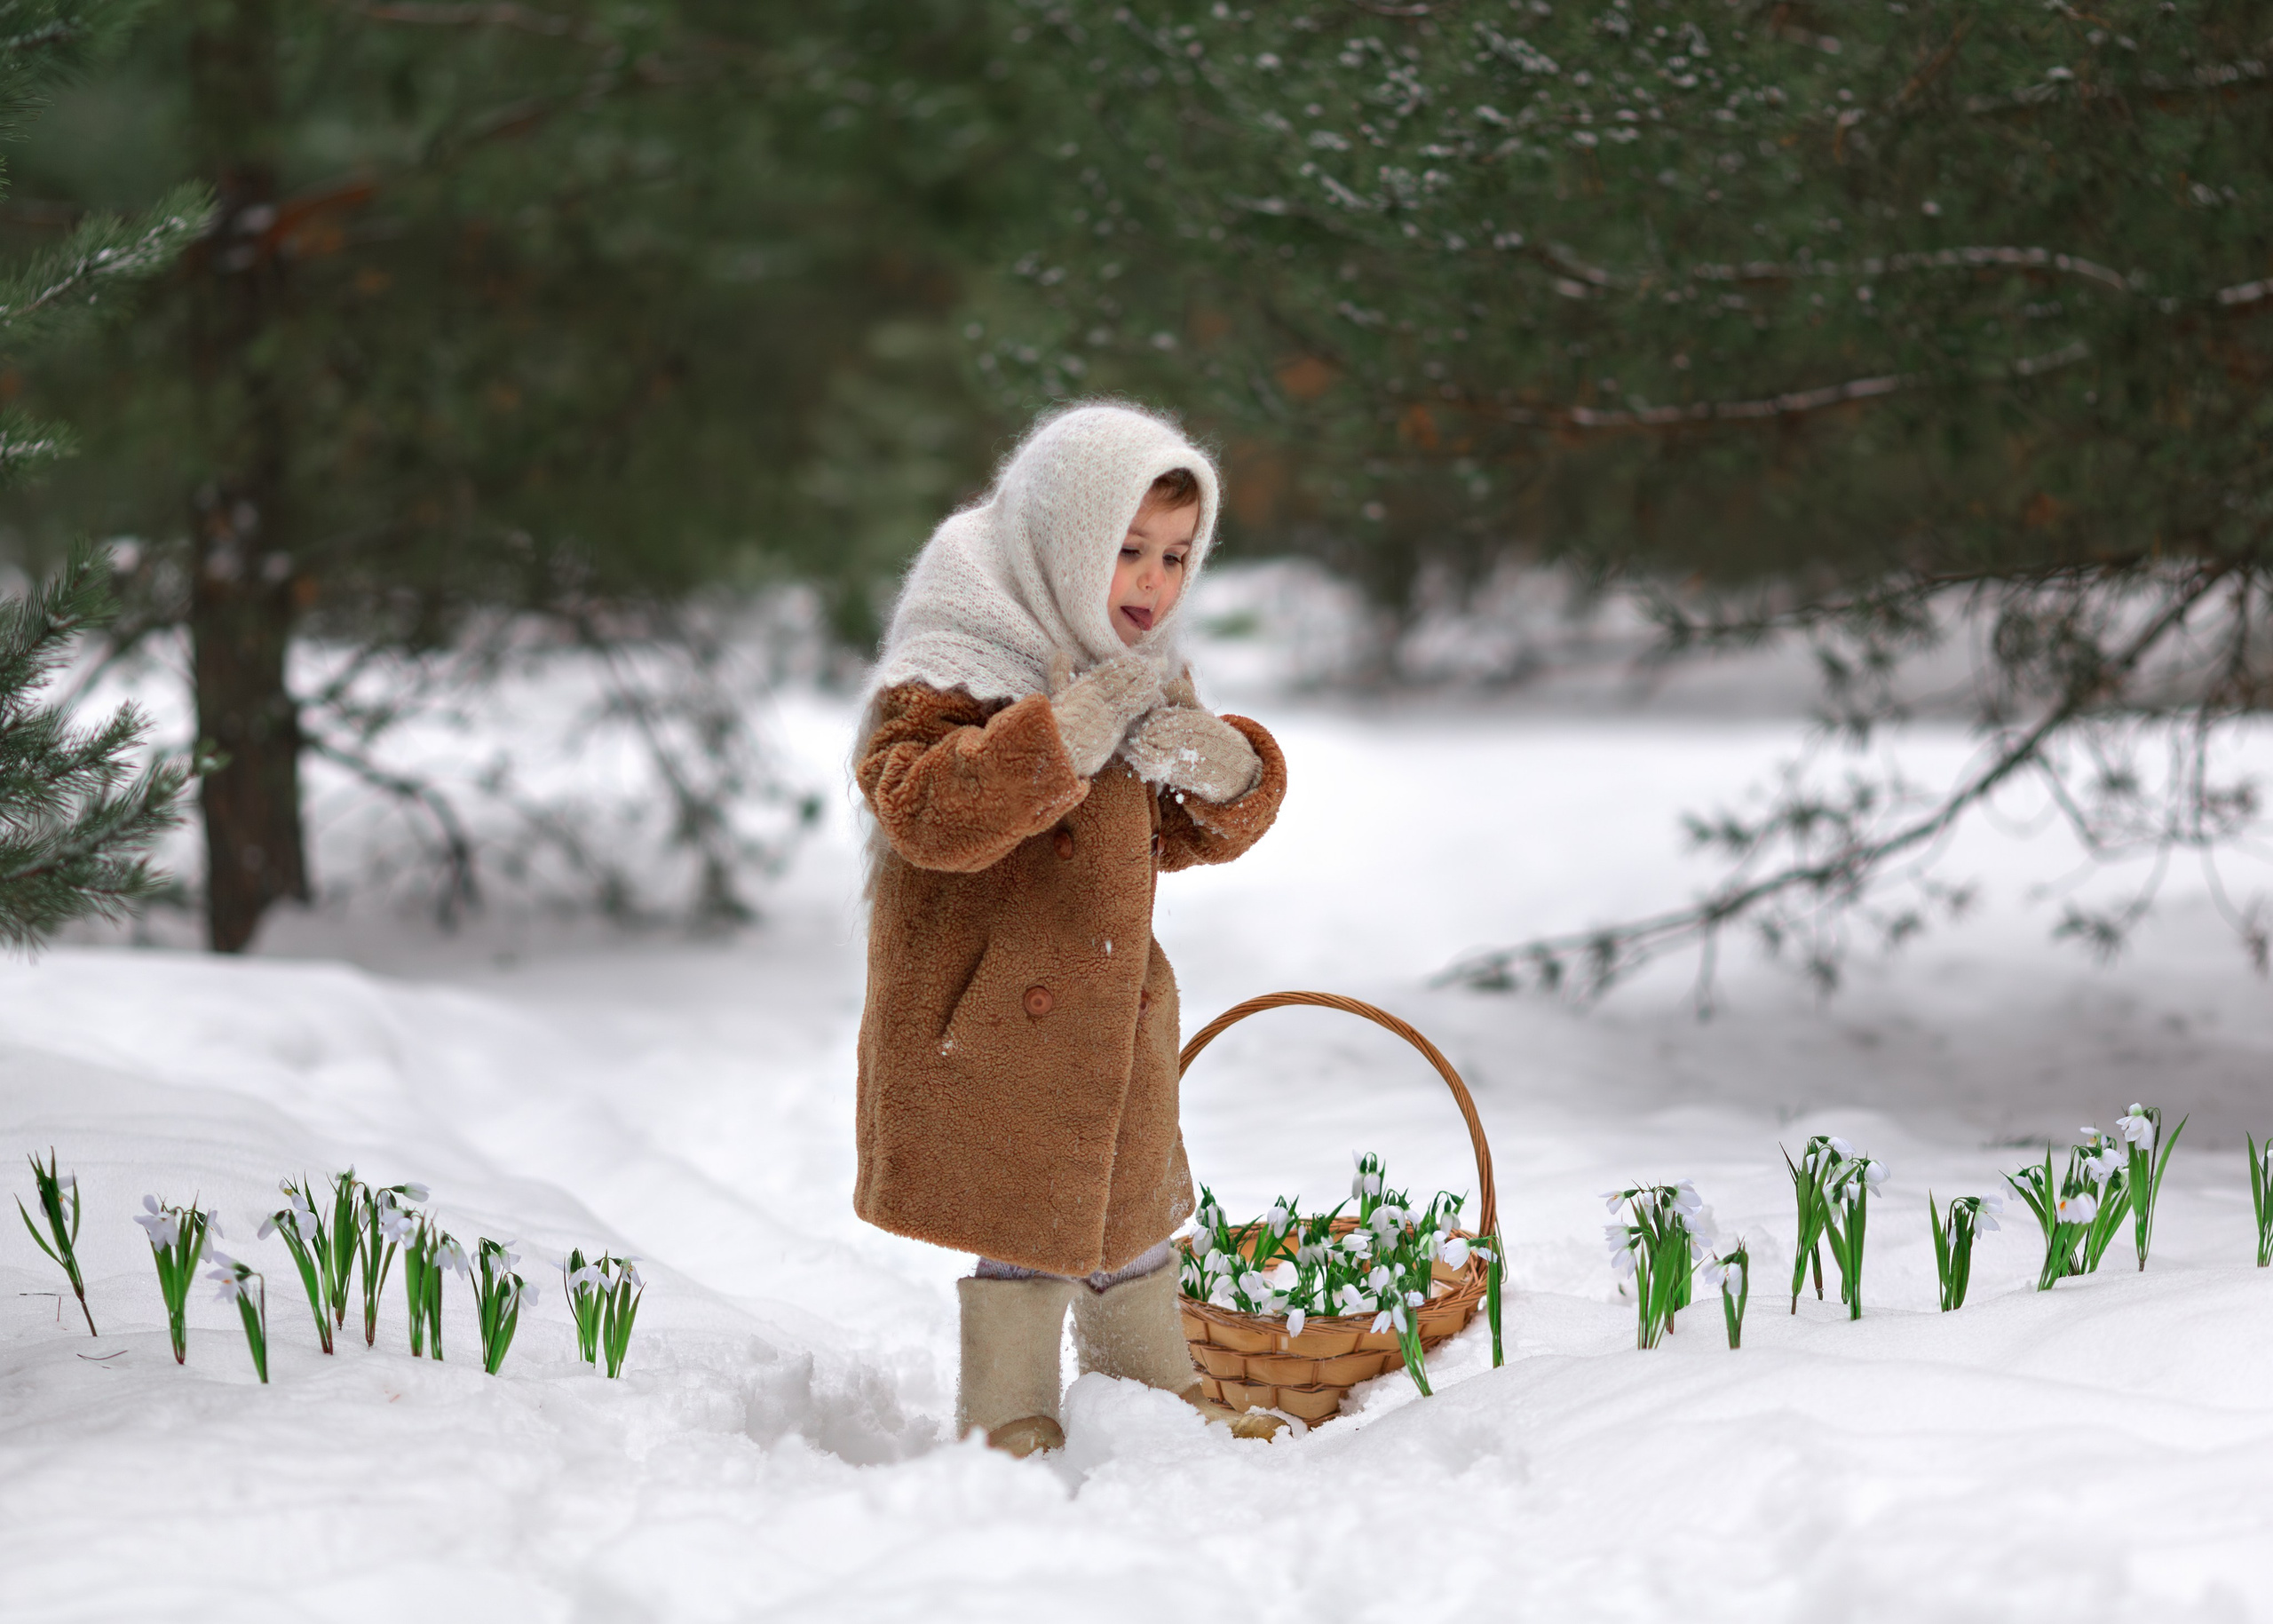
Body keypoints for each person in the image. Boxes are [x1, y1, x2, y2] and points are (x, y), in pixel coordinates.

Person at [853, 401, 1288, 1456]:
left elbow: (1177, 834)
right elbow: (920, 809)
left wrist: (1223, 767)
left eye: (1178, 555)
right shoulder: (957, 652)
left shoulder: (1132, 670)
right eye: (1128, 550)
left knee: (1126, 1211)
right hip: (990, 1007)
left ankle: (1146, 1389)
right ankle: (1008, 1408)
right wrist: (1059, 737)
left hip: (1107, 999)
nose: (1154, 580)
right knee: (1028, 1224)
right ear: (1063, 539)